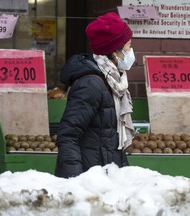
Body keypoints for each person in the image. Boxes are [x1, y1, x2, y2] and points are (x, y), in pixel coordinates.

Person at [55, 12, 136, 178]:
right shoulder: (91, 85)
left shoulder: (114, 81)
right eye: (128, 46)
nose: (131, 51)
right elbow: (69, 135)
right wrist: (75, 183)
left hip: (106, 173)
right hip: (90, 178)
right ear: (115, 51)